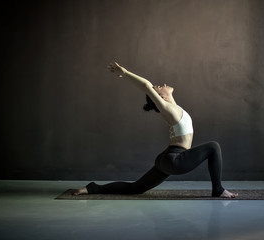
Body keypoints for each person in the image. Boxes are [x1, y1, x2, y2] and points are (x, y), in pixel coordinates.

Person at [74, 62, 238, 198]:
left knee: (136, 188)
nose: (162, 85)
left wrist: (166, 95)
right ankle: (218, 190)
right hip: (175, 159)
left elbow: (163, 95)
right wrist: (125, 72)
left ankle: (93, 188)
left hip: (167, 158)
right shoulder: (167, 109)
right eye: (158, 87)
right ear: (159, 97)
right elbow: (146, 85)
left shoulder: (174, 107)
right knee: (213, 147)